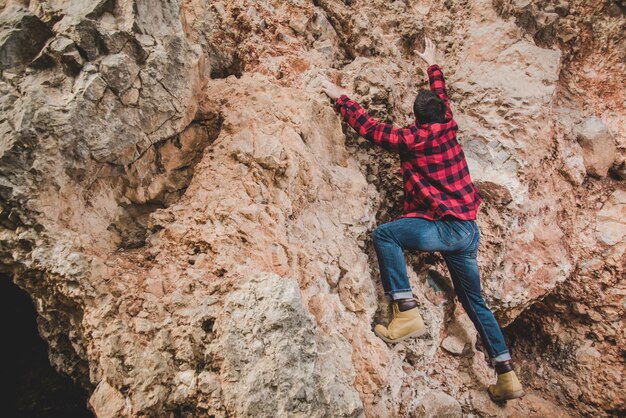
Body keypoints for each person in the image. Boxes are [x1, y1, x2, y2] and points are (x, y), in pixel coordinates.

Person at [319, 37, 524, 402]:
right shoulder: (449, 125)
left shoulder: (410, 139)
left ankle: (407, 311)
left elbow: (369, 127)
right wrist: (432, 64)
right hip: (467, 231)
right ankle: (507, 374)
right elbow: (441, 96)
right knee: (474, 302)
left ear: (416, 119)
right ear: (442, 114)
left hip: (443, 230)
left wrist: (340, 97)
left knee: (386, 236)